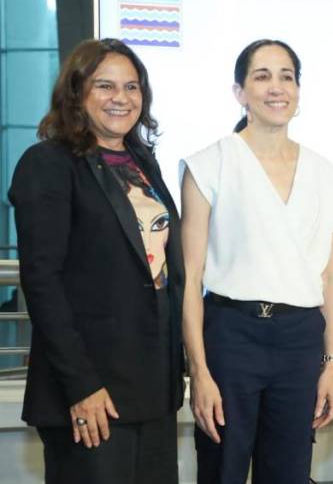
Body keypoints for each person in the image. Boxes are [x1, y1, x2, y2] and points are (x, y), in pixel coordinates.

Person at [9, 38, 185, 484]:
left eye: (131, 87)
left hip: (153, 388)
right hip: (92, 392)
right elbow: (42, 280)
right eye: (104, 85)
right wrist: (81, 386)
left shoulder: (143, 162)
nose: (120, 98)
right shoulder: (47, 163)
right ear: (76, 93)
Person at [181, 39, 333, 483]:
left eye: (287, 76)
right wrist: (199, 371)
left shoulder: (323, 171)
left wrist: (330, 365)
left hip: (299, 342)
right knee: (223, 469)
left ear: (298, 90)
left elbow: (330, 274)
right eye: (262, 76)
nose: (277, 88)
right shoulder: (208, 164)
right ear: (240, 92)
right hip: (231, 337)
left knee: (290, 473)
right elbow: (191, 277)